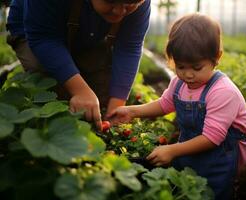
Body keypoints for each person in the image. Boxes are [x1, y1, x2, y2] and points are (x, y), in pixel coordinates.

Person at [108, 13, 246, 199]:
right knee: (183, 187)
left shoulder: (223, 92)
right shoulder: (179, 83)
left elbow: (212, 138)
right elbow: (164, 104)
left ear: (216, 57)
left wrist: (172, 150)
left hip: (218, 160)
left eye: (196, 67)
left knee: (211, 194)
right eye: (181, 66)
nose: (188, 75)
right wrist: (132, 111)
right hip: (188, 150)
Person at [6, 0, 150, 130]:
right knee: (49, 83)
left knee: (99, 96)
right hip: (36, 29)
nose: (119, 11)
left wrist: (116, 108)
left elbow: (128, 47)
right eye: (110, 1)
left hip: (88, 32)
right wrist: (80, 91)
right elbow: (43, 38)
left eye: (129, 3)